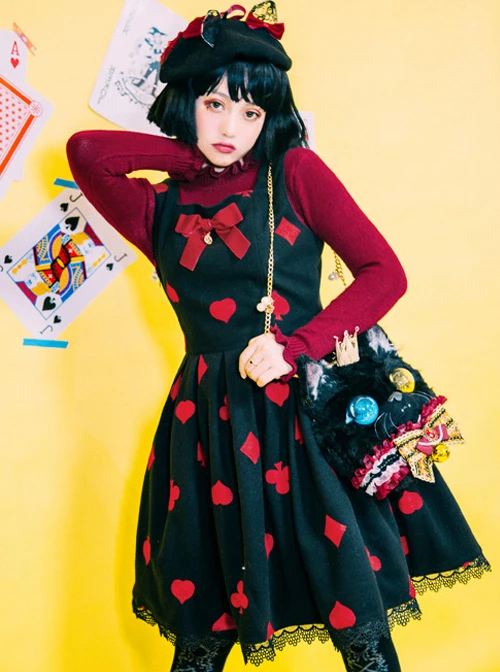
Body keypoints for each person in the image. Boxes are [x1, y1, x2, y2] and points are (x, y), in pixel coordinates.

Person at [66, 3, 490, 671]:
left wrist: (296, 347)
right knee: (203, 627)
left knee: (358, 624)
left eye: (251, 112)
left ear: (270, 118)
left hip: (298, 415)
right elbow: (88, 153)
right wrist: (188, 153)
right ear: (187, 101)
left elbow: (385, 273)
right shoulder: (159, 206)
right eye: (214, 104)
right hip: (206, 423)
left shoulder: (293, 173)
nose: (231, 128)